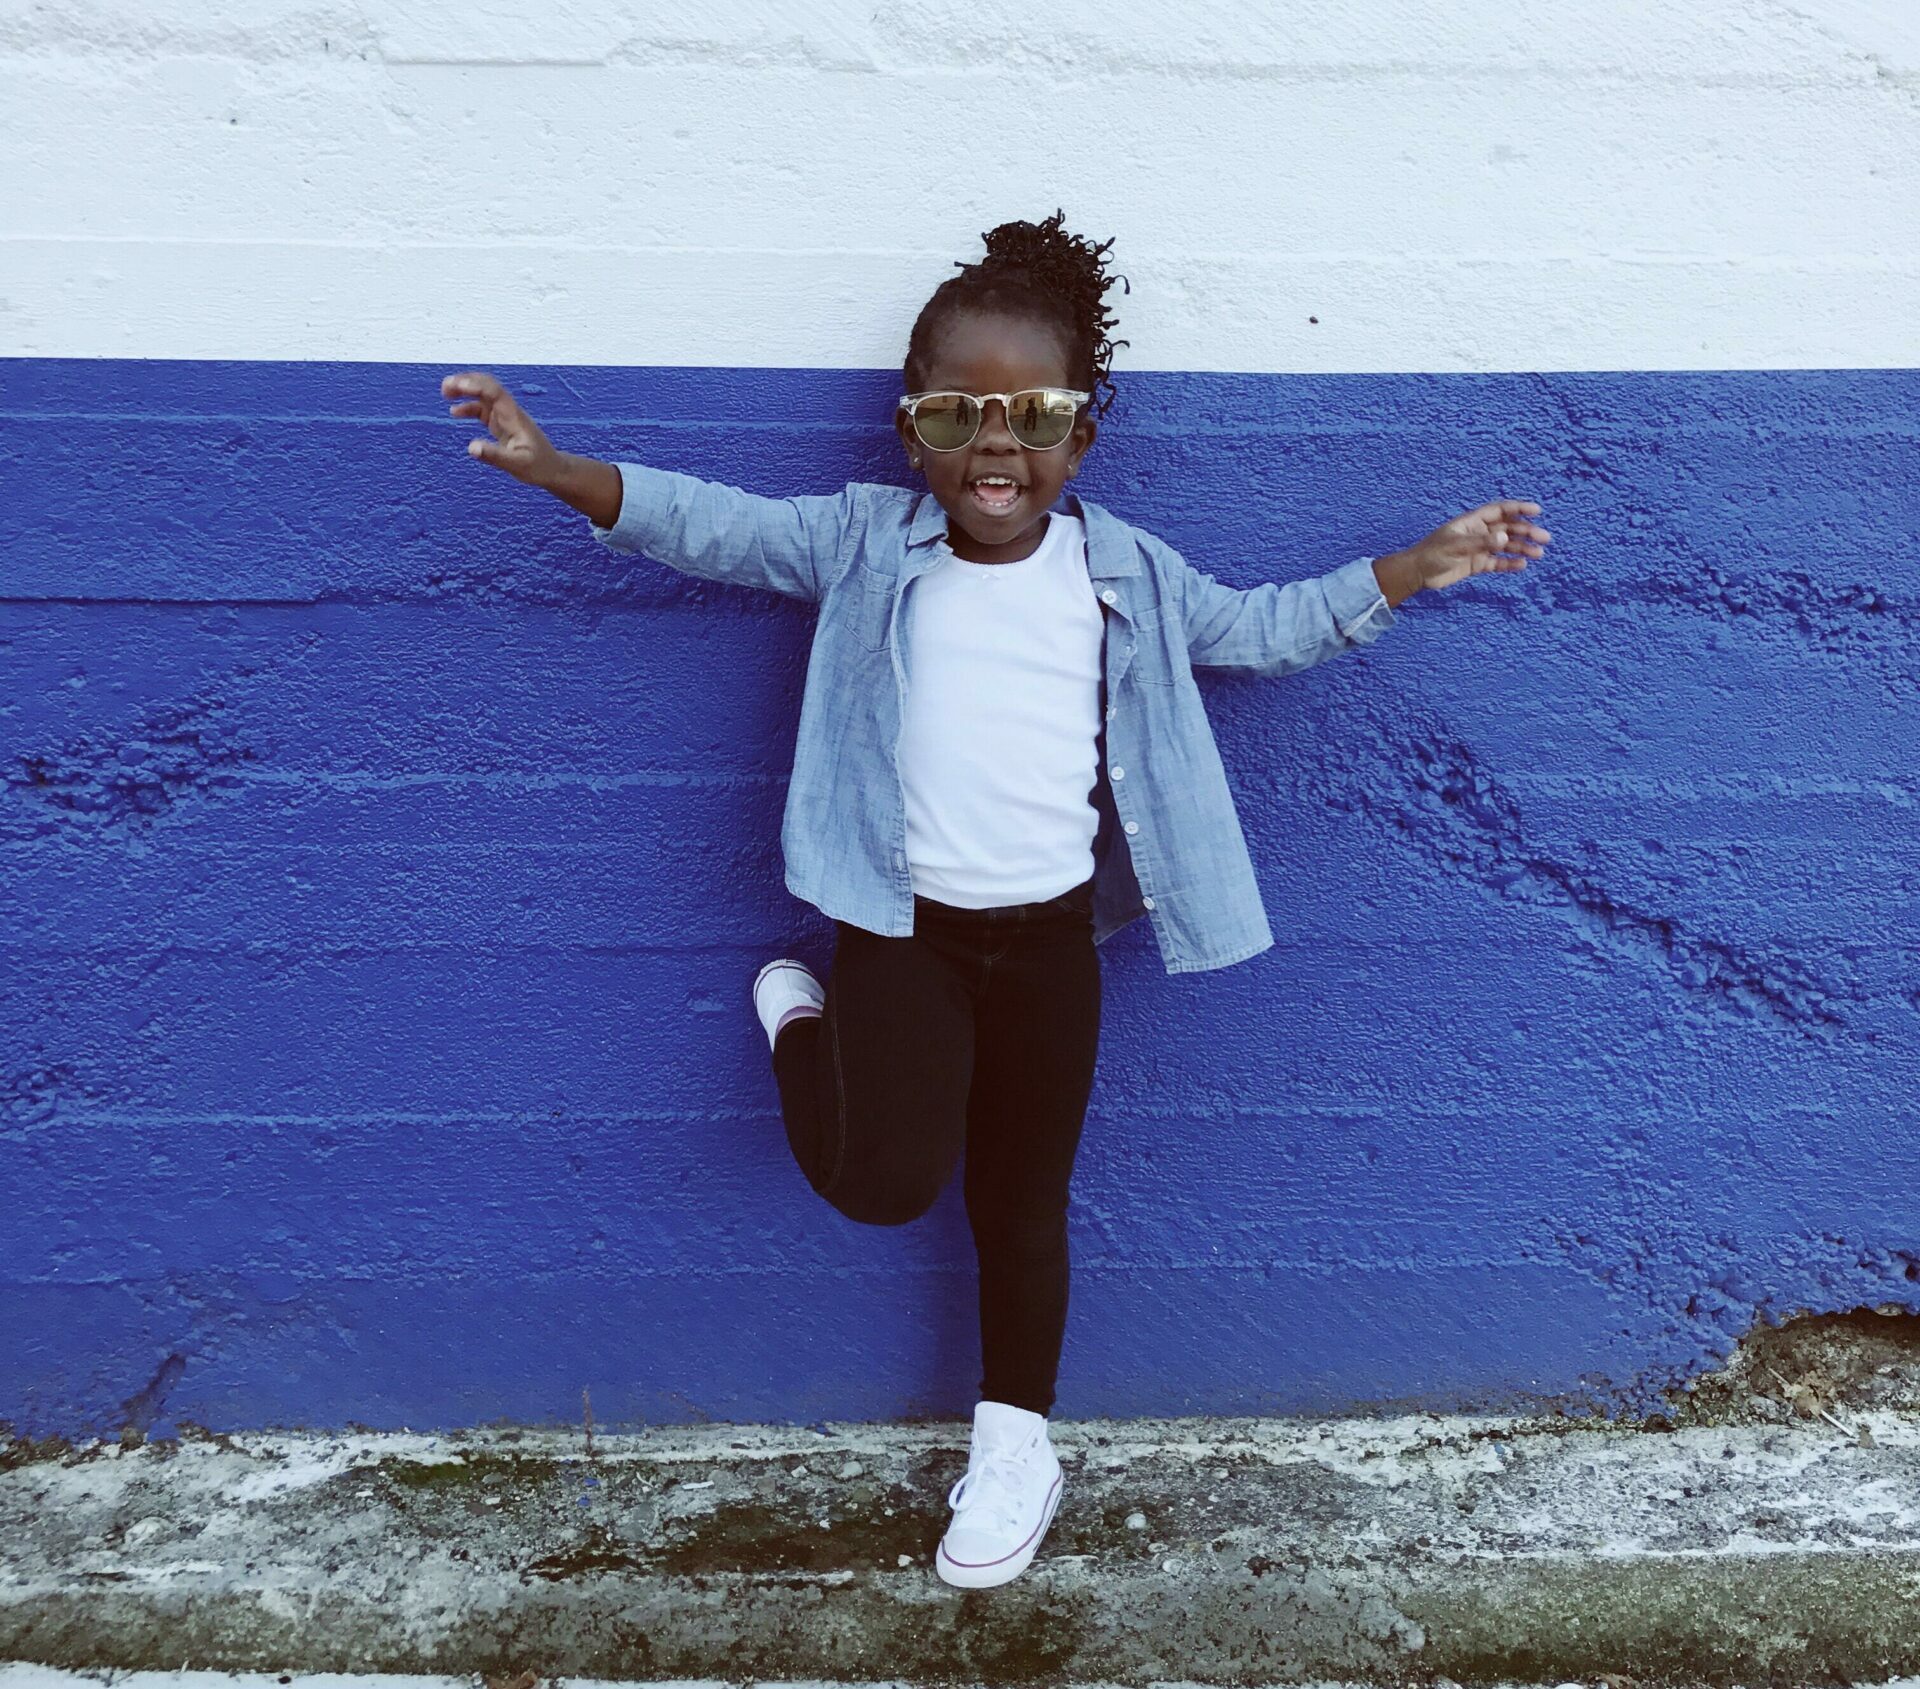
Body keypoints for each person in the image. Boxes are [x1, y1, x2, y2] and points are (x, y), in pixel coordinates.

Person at [439, 209, 1550, 1590]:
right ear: (913, 430)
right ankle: (798, 1021)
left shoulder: (1124, 569)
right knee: (882, 1181)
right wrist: (557, 470)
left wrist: (1418, 567)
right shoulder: (861, 544)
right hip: (899, 933)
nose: (997, 443)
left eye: (1034, 414)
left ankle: (1018, 1443)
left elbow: (1261, 630)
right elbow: (711, 528)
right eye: (961, 413)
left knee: (1024, 1201)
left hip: (1049, 944)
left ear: (1083, 435)